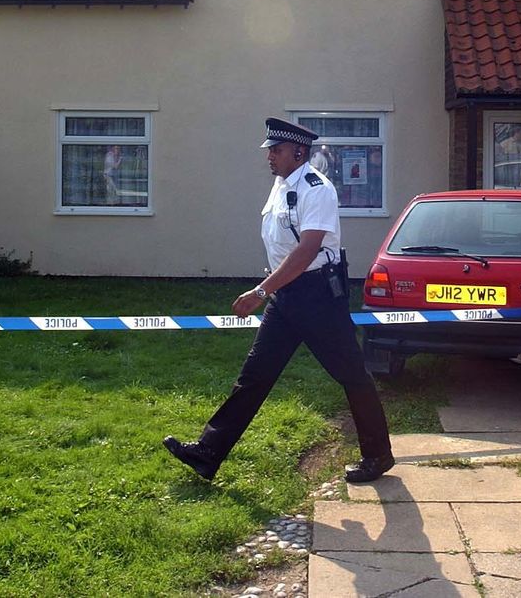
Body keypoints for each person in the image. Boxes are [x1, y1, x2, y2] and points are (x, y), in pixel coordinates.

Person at [163, 117, 395, 483]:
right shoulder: (281, 184)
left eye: (276, 150)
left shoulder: (317, 189)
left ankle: (378, 455)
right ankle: (208, 453)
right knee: (254, 376)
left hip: (317, 295)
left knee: (351, 374)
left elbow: (306, 251)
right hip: (287, 295)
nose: (269, 156)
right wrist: (273, 290)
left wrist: (261, 291)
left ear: (298, 152)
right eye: (269, 150)